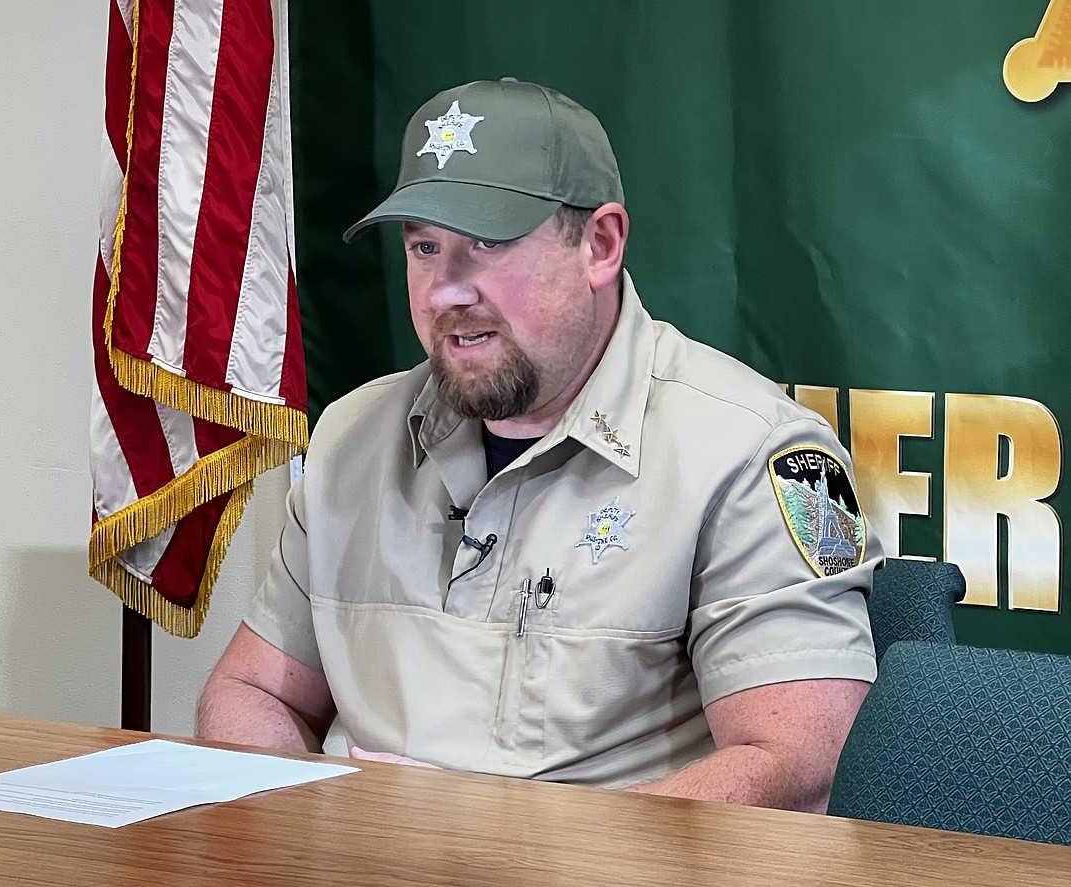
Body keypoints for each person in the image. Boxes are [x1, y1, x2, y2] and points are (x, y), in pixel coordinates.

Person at [197, 78, 881, 813]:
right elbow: (250, 689)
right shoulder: (351, 437)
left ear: (600, 245)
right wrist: (304, 827)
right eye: (424, 247)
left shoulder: (750, 451)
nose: (445, 292)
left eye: (487, 245)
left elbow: (801, 762)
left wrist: (503, 839)